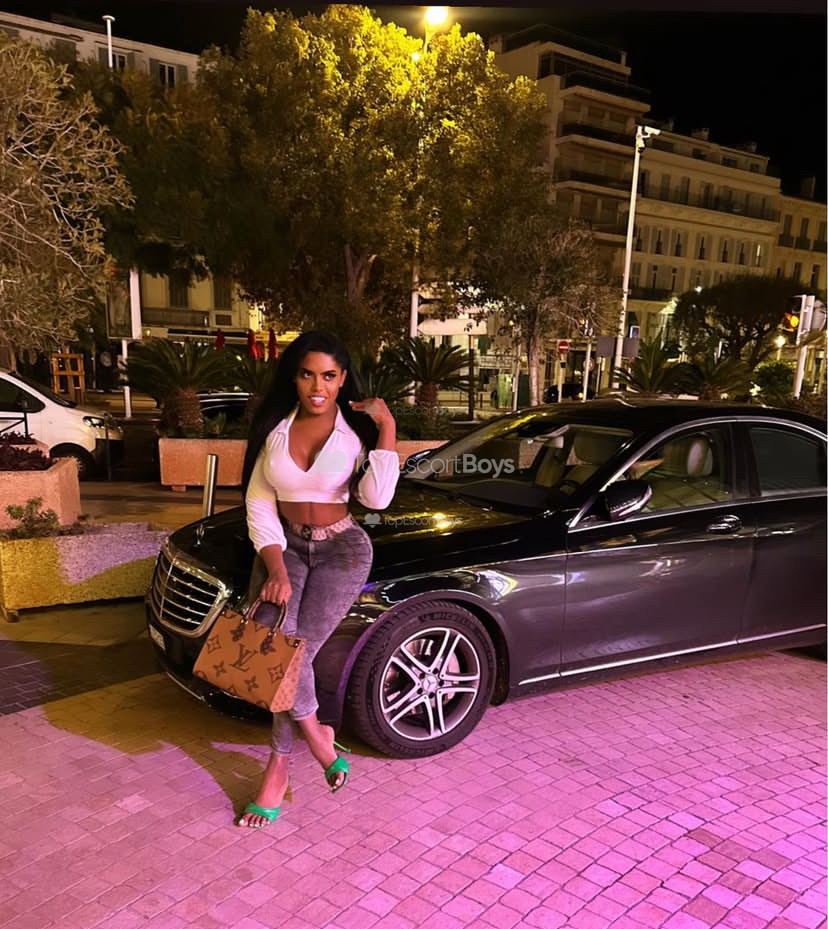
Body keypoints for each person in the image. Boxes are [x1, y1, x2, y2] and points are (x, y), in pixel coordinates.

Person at [237, 331, 399, 829]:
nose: (317, 386)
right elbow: (258, 502)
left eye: (328, 376)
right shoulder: (274, 429)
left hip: (342, 551)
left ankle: (278, 765)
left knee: (295, 655)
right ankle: (317, 739)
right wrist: (276, 568)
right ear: (294, 377)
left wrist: (388, 427)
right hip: (284, 548)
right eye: (307, 374)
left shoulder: (356, 433)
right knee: (276, 649)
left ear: (343, 379)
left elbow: (376, 499)